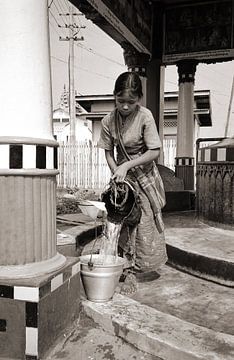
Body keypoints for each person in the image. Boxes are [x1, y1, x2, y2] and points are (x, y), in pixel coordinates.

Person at [98, 71, 168, 294]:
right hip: (123, 177)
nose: (126, 106)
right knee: (120, 219)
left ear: (139, 99)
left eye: (131, 101)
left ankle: (134, 271)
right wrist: (117, 173)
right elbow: (108, 152)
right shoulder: (108, 120)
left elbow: (154, 151)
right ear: (114, 97)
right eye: (121, 101)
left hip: (144, 175)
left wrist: (127, 165)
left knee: (143, 222)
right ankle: (122, 266)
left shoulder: (145, 116)